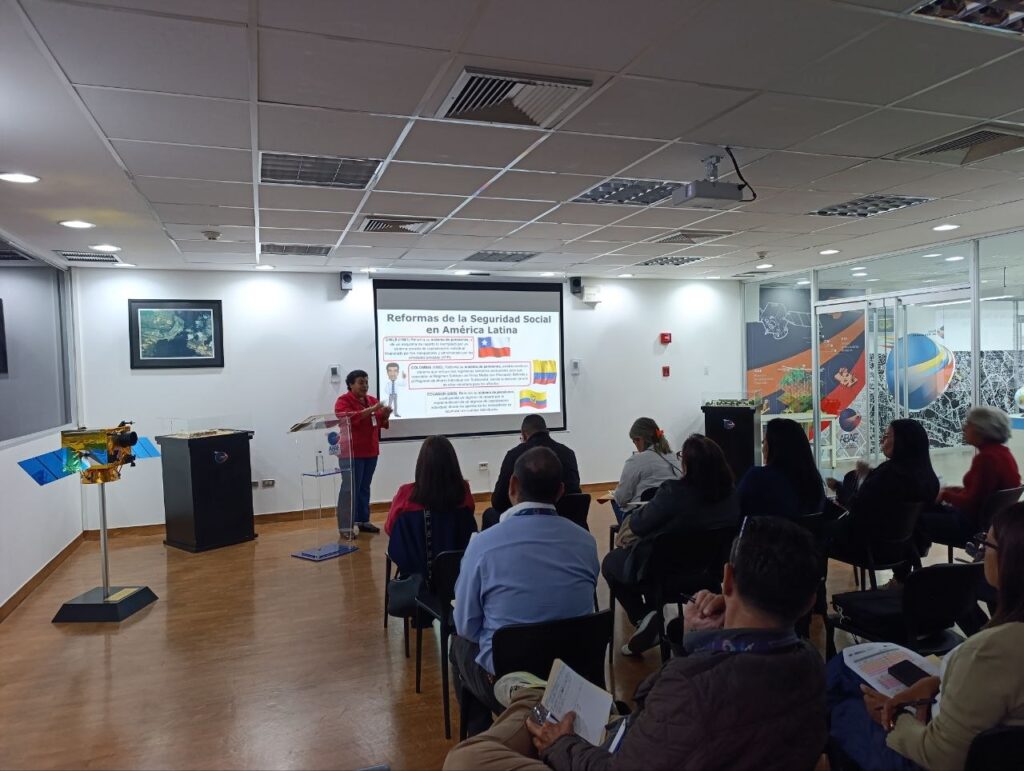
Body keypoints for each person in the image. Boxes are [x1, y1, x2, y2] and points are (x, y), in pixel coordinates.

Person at [443, 516, 827, 771]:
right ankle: (531, 695)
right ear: (810, 601)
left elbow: (633, 747)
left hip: (614, 749)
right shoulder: (811, 666)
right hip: (648, 738)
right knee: (535, 704)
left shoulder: (691, 690)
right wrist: (698, 641)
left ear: (727, 579)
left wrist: (561, 746)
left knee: (468, 760)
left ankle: (529, 698)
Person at [828, 502, 1024, 771]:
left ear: (1009, 561)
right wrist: (935, 683)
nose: (980, 552)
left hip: (923, 755)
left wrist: (895, 719)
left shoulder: (990, 652)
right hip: (950, 712)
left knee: (843, 698)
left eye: (986, 544)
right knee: (843, 671)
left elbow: (940, 756)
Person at [451, 447, 599, 736]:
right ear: (560, 491)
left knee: (458, 646)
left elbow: (466, 627)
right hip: (571, 674)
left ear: (512, 485)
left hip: (507, 680)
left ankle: (484, 738)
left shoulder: (483, 545)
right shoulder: (586, 541)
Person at [602, 433, 739, 655]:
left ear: (687, 465)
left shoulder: (673, 492)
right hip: (708, 576)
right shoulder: (731, 497)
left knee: (611, 562)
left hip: (661, 575)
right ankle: (651, 619)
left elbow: (639, 524)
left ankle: (644, 616)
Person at [826, 419, 939, 582]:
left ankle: (815, 593)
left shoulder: (888, 475)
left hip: (869, 548)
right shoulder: (928, 478)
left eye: (887, 436)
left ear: (902, 441)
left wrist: (838, 487)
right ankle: (900, 580)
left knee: (815, 534)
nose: (882, 440)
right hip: (905, 549)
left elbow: (857, 507)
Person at [920, 406, 1021, 548]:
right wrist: (956, 490)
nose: (964, 428)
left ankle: (907, 561)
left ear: (982, 429)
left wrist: (944, 495)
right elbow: (982, 495)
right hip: (987, 525)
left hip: (970, 527)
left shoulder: (986, 458)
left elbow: (971, 503)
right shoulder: (1004, 454)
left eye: (969, 424)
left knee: (913, 520)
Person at [385, 435, 477, 579]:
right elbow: (469, 526)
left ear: (421, 464)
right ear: (453, 464)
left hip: (414, 578)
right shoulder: (463, 491)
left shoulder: (405, 494)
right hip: (456, 577)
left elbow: (390, 529)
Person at [482, 415, 581, 529]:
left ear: (524, 435)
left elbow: (498, 502)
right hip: (566, 522)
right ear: (547, 432)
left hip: (522, 526)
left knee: (489, 514)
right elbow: (574, 493)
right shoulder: (568, 453)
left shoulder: (514, 455)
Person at [333, 369, 390, 535]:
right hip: (351, 452)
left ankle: (363, 521)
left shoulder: (372, 400)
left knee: (364, 487)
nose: (365, 386)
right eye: (361, 382)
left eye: (366, 382)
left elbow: (379, 422)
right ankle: (345, 527)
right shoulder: (343, 401)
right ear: (350, 385)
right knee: (350, 489)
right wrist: (373, 409)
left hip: (370, 451)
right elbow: (349, 418)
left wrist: (385, 415)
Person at [737, 418, 826, 519]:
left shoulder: (756, 478)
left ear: (772, 447)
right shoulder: (814, 482)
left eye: (764, 441)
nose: (762, 448)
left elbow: (736, 511)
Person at [609, 417, 681, 524]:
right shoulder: (675, 457)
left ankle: (624, 532)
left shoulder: (635, 461)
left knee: (616, 502)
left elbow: (621, 498)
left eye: (634, 441)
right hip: (673, 517)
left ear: (640, 439)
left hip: (645, 519)